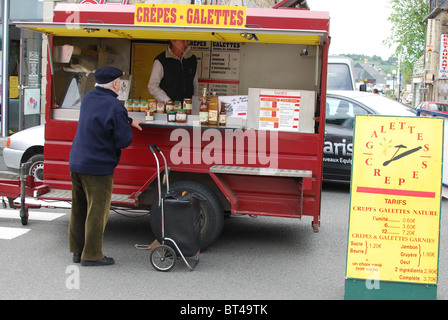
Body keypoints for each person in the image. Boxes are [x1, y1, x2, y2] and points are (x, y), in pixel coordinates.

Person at [68, 66, 144, 266]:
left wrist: (126, 119)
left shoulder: (88, 99)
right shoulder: (115, 105)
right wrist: (127, 124)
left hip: (77, 161)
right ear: (116, 84)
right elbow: (123, 140)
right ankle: (92, 255)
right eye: (120, 81)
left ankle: (77, 251)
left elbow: (101, 117)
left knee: (80, 208)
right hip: (98, 166)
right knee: (97, 211)